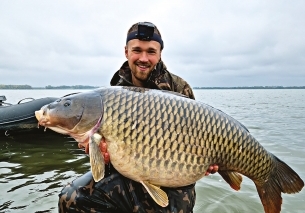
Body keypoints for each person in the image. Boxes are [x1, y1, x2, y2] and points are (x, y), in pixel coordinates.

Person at [58, 22, 218, 213]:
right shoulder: (115, 89)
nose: (143, 58)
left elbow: (199, 141)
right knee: (71, 198)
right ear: (126, 52)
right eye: (137, 50)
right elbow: (106, 150)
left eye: (151, 51)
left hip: (172, 181)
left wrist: (207, 160)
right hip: (129, 175)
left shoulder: (179, 89)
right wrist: (96, 150)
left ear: (160, 54)